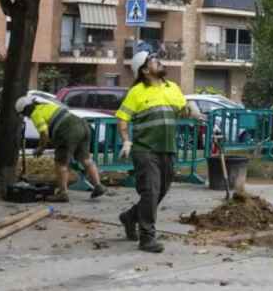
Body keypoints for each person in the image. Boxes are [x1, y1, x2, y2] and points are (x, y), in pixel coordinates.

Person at [116, 51, 204, 253]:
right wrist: (126, 141)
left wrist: (192, 110)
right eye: (154, 62)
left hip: (167, 149)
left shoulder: (172, 87)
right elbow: (123, 117)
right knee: (151, 191)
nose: (159, 63)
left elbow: (181, 111)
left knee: (159, 193)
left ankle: (129, 217)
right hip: (145, 150)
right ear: (145, 70)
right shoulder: (137, 92)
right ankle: (147, 238)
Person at [16, 93, 106, 202]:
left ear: (26, 110)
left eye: (24, 114)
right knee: (86, 159)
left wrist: (41, 148)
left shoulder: (35, 114)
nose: (26, 117)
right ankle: (98, 185)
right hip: (82, 125)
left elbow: (44, 133)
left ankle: (63, 193)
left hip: (67, 130)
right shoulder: (46, 105)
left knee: (61, 163)